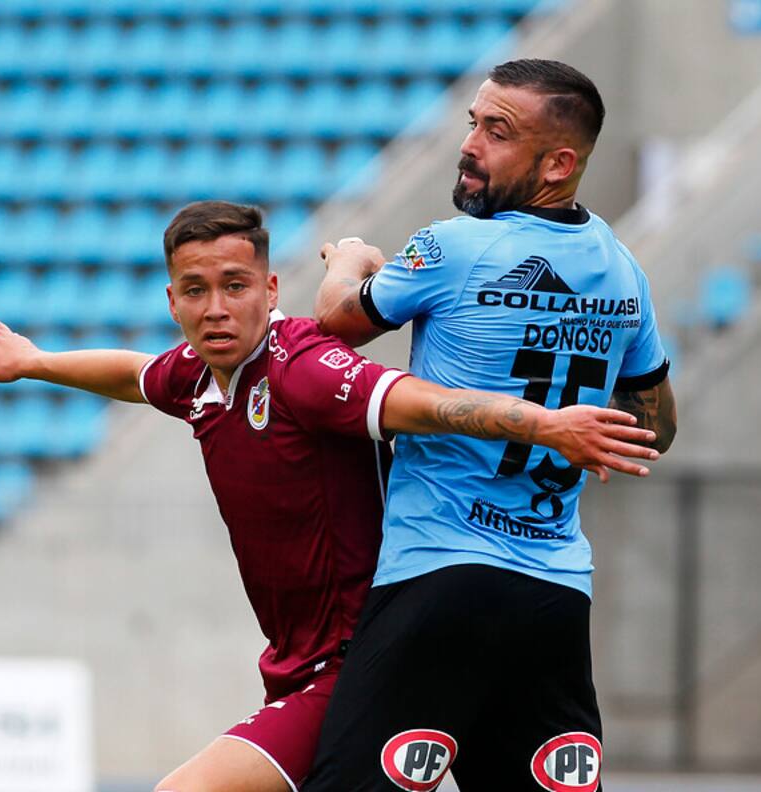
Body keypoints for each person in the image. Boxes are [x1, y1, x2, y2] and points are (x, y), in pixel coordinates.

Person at [0, 200, 660, 792]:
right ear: (172, 301)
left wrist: (543, 425)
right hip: (304, 663)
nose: (216, 308)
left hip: (363, 658)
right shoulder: (198, 376)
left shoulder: (304, 368)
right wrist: (34, 363)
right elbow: (133, 374)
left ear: (270, 290)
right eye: (195, 291)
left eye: (235, 286)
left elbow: (420, 403)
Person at [304, 60, 677, 791]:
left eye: (497, 132)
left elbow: (335, 321)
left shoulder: (453, 247)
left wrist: (347, 260)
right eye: (473, 123)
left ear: (559, 164)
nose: (469, 145)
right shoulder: (623, 272)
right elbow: (655, 428)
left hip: (438, 577)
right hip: (554, 597)